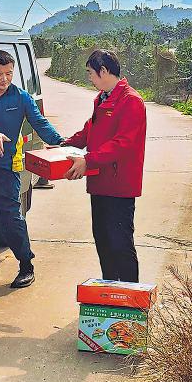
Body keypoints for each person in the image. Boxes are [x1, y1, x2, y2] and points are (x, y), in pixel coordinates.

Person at [0, 50, 63, 289]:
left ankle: (26, 264)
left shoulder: (21, 97)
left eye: (9, 74)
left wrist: (61, 143)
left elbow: (40, 122)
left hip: (4, 165)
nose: (4, 79)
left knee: (10, 216)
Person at [64, 49, 147, 282]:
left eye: (91, 73)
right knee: (103, 241)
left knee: (121, 244)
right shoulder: (103, 98)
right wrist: (65, 145)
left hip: (119, 186)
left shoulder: (131, 101)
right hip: (100, 182)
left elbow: (123, 144)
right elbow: (90, 130)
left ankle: (130, 296)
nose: (89, 77)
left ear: (103, 71)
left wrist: (88, 160)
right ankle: (110, 291)